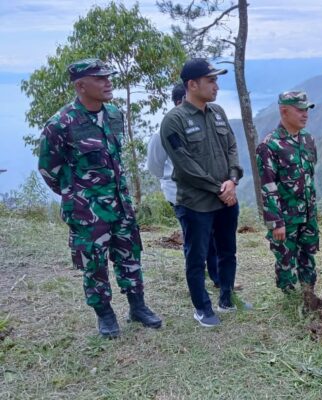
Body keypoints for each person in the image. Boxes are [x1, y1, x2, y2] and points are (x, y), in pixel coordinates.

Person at [37, 58, 161, 338]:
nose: (108, 82)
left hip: (121, 205)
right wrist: (76, 194)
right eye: (100, 78)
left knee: (130, 256)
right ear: (81, 85)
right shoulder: (61, 123)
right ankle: (105, 315)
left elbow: (115, 158)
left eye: (109, 77)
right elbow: (49, 169)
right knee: (94, 264)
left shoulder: (115, 115)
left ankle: (137, 307)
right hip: (87, 212)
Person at [160, 58, 247, 327]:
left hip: (226, 199)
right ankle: (202, 308)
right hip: (197, 203)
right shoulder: (174, 121)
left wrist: (232, 180)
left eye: (216, 80)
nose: (216, 86)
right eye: (211, 81)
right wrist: (218, 188)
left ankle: (226, 298)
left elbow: (232, 147)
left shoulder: (218, 112)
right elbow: (185, 166)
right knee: (196, 257)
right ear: (192, 84)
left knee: (227, 251)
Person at [147, 83, 223, 289]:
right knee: (196, 240)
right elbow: (155, 166)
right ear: (181, 101)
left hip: (207, 192)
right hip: (182, 195)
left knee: (212, 236)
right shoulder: (162, 132)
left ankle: (218, 278)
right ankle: (198, 286)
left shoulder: (203, 124)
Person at [256, 91, 319, 293]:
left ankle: (309, 294)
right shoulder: (269, 146)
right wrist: (276, 222)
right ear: (284, 111)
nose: (305, 114)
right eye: (300, 110)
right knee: (285, 258)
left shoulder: (308, 140)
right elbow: (268, 187)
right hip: (285, 217)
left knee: (308, 254)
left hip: (308, 214)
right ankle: (290, 299)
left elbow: (310, 178)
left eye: (307, 109)